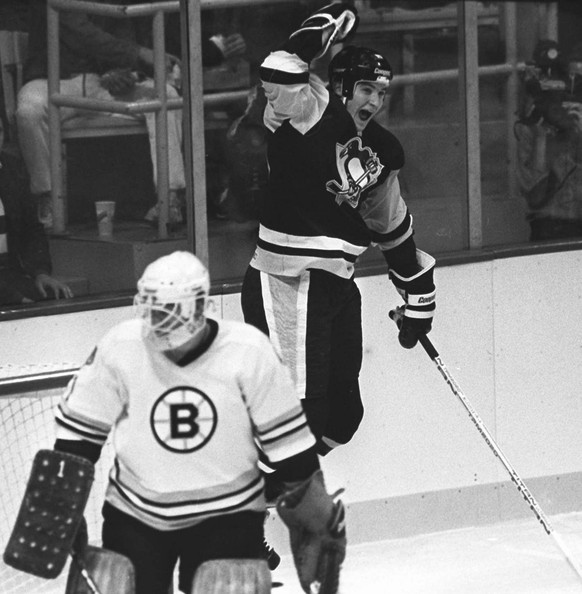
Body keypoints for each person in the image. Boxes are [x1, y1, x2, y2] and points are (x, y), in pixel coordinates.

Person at [7, 250, 346, 593]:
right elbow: (78, 441)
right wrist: (59, 499)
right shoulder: (120, 348)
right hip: (137, 513)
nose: (159, 321)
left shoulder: (248, 353)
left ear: (200, 308)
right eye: (153, 309)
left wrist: (314, 513)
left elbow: (291, 452)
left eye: (170, 310)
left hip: (226, 514)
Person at [241, 3, 437, 483]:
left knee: (343, 420)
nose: (374, 101)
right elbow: (277, 70)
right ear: (344, 86)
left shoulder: (382, 150)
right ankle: (240, 519)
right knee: (294, 419)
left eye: (383, 92)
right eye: (367, 88)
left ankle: (272, 494)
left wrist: (418, 298)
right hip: (287, 282)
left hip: (336, 286)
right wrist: (317, 33)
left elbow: (390, 226)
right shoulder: (310, 108)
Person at [16, 0, 186, 230]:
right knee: (29, 110)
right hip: (54, 80)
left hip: (101, 83)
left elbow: (123, 33)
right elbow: (80, 32)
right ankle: (49, 198)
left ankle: (170, 198)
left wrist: (125, 72)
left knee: (167, 96)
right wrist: (139, 53)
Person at [0, 117, 72, 305]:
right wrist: (15, 299)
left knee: (55, 297)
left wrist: (40, 272)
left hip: (8, 275)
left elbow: (31, 228)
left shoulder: (11, 167)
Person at [516, 40, 582, 240]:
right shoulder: (529, 131)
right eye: (550, 95)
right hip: (549, 228)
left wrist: (576, 136)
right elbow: (536, 198)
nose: (558, 103)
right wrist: (551, 143)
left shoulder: (578, 120)